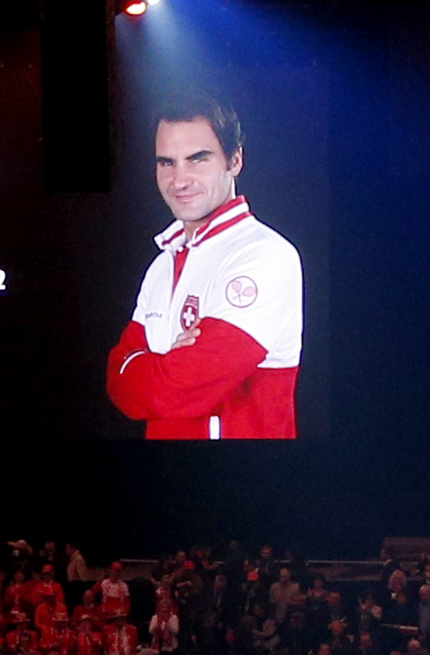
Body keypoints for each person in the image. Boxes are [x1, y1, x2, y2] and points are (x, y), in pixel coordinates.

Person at [104, 96, 303, 442]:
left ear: (235, 160)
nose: (179, 180)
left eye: (197, 159)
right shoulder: (162, 264)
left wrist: (153, 364)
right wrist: (167, 366)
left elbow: (174, 392)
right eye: (167, 163)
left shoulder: (266, 255)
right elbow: (117, 380)